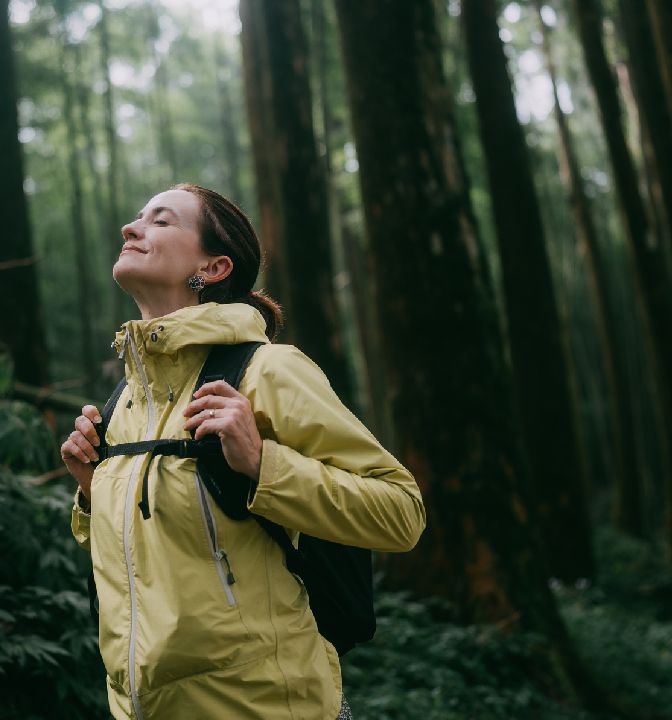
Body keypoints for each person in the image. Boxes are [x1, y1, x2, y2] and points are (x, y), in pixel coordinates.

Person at [60, 183, 426, 720]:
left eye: (161, 221)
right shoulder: (123, 403)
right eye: (137, 218)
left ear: (213, 267)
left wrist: (262, 464)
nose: (131, 228)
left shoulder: (267, 371)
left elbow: (402, 513)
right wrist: (95, 491)